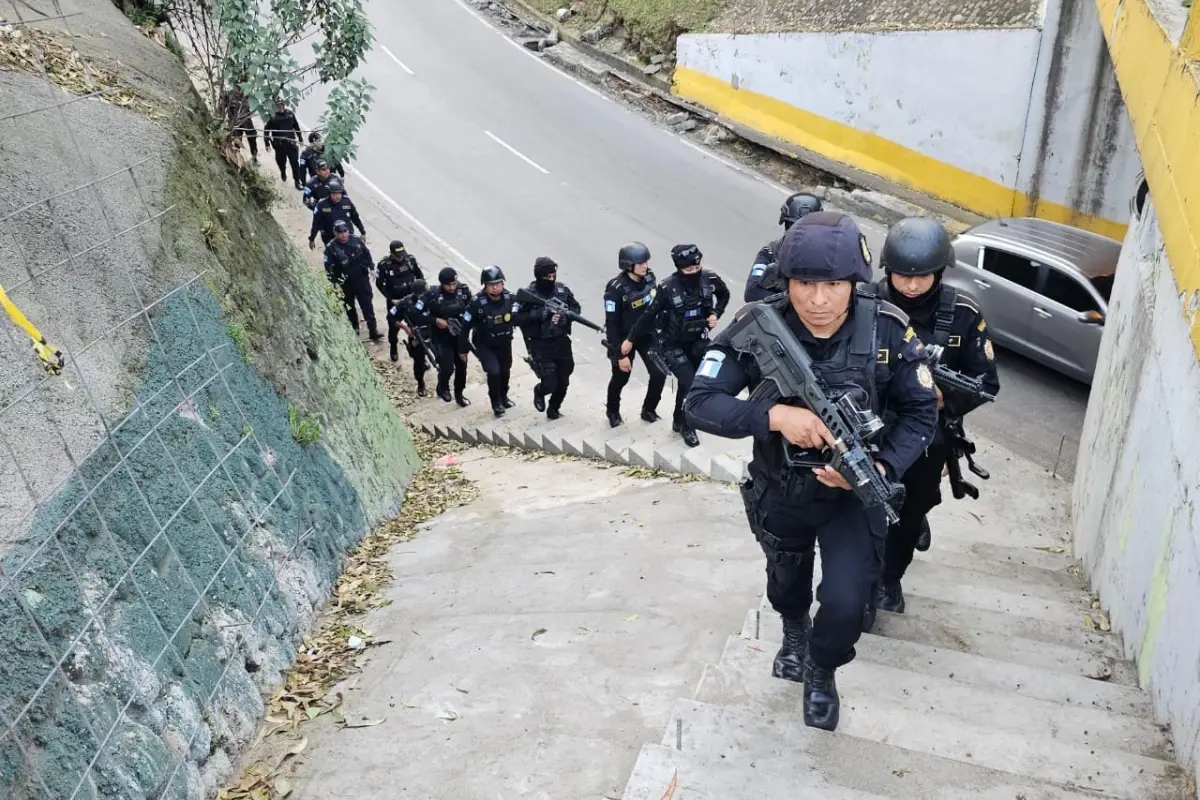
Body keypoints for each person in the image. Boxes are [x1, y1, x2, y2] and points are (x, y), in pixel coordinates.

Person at [684, 211, 939, 731]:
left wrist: (882, 464)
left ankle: (821, 669)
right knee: (786, 582)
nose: (818, 300)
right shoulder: (759, 325)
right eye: (804, 284)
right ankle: (793, 630)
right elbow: (700, 402)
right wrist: (775, 416)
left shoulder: (888, 328)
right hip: (782, 489)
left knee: (848, 604)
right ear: (786, 282)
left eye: (833, 286)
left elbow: (920, 413)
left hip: (851, 497)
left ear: (854, 284)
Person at [871, 216, 1000, 611]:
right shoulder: (864, 304)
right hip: (869, 426)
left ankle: (889, 580)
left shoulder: (962, 314)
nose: (911, 286)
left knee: (910, 512)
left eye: (922, 276)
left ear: (940, 271)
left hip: (927, 438)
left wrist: (946, 398)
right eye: (902, 276)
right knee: (861, 507)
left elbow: (986, 382)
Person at [626, 244, 730, 447]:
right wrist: (630, 340)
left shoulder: (709, 279)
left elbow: (724, 295)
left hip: (698, 340)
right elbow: (648, 316)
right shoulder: (667, 288)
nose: (694, 272)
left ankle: (678, 420)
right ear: (679, 268)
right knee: (691, 384)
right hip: (672, 344)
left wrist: (715, 313)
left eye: (697, 267)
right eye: (689, 269)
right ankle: (687, 426)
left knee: (696, 382)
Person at [603, 242, 666, 428]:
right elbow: (612, 325)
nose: (645, 266)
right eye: (640, 263)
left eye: (646, 262)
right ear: (628, 265)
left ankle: (649, 410)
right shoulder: (615, 289)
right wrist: (619, 354)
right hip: (623, 339)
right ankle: (612, 411)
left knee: (659, 373)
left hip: (646, 335)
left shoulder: (649, 278)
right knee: (621, 377)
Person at [519, 257, 581, 420]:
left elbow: (575, 308)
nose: (552, 279)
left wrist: (565, 318)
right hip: (540, 344)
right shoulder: (529, 295)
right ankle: (539, 391)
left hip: (561, 341)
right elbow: (517, 318)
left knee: (564, 378)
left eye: (554, 275)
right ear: (539, 277)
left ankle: (554, 408)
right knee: (550, 382)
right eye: (548, 277)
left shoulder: (562, 290)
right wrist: (541, 314)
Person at [745, 192, 824, 302]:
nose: (798, 233)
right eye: (793, 226)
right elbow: (752, 293)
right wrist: (793, 301)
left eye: (806, 229)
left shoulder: (827, 258)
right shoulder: (770, 252)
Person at [464, 267, 521, 417]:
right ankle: (496, 402)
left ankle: (504, 396)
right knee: (494, 371)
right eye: (491, 284)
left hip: (504, 342)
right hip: (485, 343)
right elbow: (465, 327)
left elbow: (521, 318)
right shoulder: (476, 303)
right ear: (485, 285)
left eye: (498, 283)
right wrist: (462, 349)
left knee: (505, 370)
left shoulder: (511, 299)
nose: (495, 287)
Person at [416, 267, 472, 406]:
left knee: (462, 367)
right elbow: (415, 314)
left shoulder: (463, 291)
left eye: (454, 284)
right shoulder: (432, 294)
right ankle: (443, 387)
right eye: (449, 285)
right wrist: (435, 320)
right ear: (442, 284)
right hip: (441, 338)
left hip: (459, 336)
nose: (452, 288)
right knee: (447, 368)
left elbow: (473, 309)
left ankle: (459, 395)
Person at [323, 220, 381, 340]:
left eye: (345, 231)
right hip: (345, 283)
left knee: (367, 305)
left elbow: (366, 254)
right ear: (335, 233)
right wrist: (334, 283)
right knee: (349, 306)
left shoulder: (356, 240)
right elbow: (328, 268)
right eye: (340, 232)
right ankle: (355, 328)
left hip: (361, 279)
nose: (343, 234)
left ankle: (373, 329)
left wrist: (371, 268)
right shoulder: (331, 248)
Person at [376, 240, 426, 362]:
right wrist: (390, 299)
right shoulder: (384, 265)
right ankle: (393, 347)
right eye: (397, 256)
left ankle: (419, 355)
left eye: (402, 254)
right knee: (394, 328)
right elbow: (380, 284)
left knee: (416, 328)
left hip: (412, 300)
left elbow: (420, 277)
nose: (400, 258)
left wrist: (420, 294)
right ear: (392, 254)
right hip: (396, 301)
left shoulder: (410, 260)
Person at [389, 278, 432, 397]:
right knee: (418, 362)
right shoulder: (406, 302)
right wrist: (405, 328)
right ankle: (421, 383)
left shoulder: (432, 298)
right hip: (416, 334)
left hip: (433, 331)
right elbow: (391, 317)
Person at [308, 179, 365, 249]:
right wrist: (312, 239)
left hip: (347, 235)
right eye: (334, 194)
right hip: (330, 237)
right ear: (329, 194)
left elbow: (355, 217)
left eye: (339, 193)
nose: (337, 196)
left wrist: (362, 232)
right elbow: (316, 223)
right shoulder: (321, 205)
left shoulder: (346, 201)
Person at [263, 100, 304, 190]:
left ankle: (297, 181)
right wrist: (267, 143)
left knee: (295, 163)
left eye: (281, 105)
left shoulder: (290, 114)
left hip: (291, 144)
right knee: (281, 162)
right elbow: (266, 130)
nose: (280, 107)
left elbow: (296, 126)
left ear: (283, 105)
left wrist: (300, 137)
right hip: (279, 145)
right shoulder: (272, 116)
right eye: (278, 105)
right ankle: (283, 171)